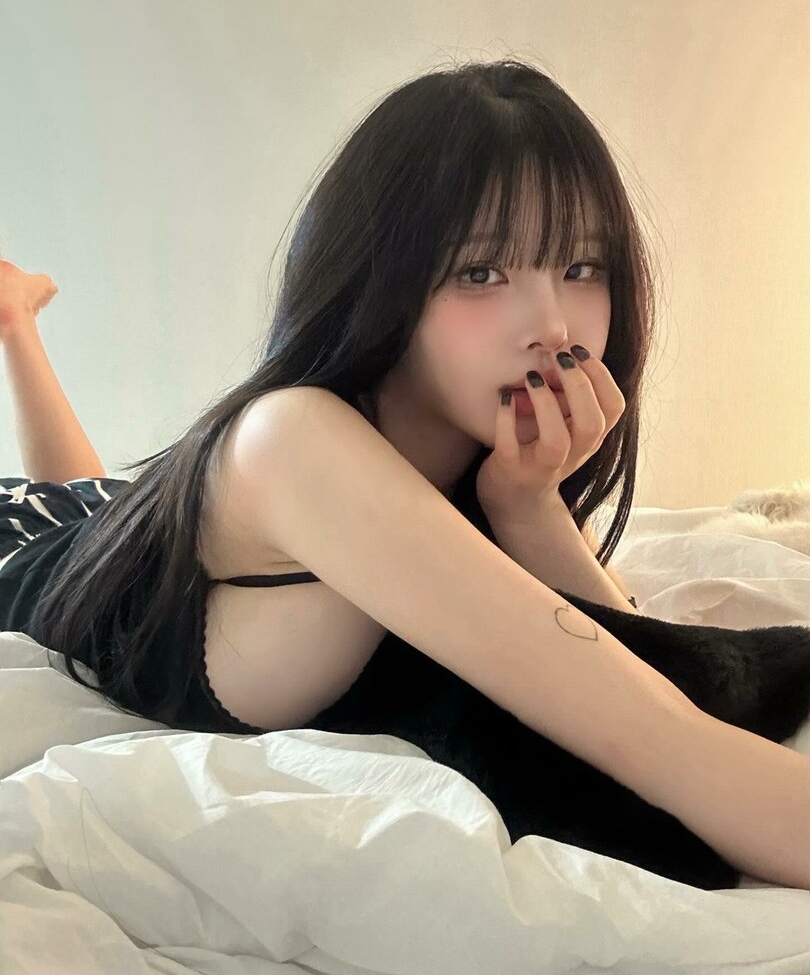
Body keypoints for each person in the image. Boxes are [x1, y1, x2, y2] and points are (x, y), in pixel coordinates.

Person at [3, 60, 810, 894]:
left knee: (91, 501)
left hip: (116, 526)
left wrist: (528, 505)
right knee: (67, 512)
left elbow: (651, 671)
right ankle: (17, 321)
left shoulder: (472, 468)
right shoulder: (293, 439)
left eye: (581, 268)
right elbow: (670, 743)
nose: (553, 326)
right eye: (480, 273)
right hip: (20, 548)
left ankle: (15, 320)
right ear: (378, 282)